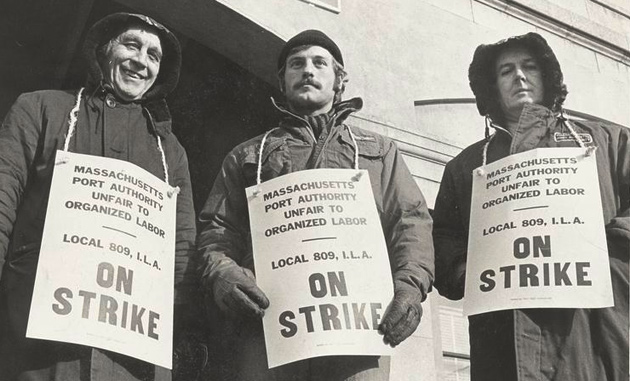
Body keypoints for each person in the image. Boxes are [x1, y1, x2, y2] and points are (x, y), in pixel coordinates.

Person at [197, 30, 434, 380]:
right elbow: (218, 231)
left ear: (339, 79)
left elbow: (410, 222)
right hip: (269, 328)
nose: (307, 70)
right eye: (296, 64)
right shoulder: (248, 156)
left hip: (359, 332)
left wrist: (409, 287)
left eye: (319, 63)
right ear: (282, 81)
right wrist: (224, 276)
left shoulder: (380, 152)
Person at [0, 13, 199, 381]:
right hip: (36, 338)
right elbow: (2, 195)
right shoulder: (42, 109)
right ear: (104, 49)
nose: (142, 60)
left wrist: (174, 324)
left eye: (154, 56)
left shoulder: (170, 152)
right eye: (132, 45)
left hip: (129, 352)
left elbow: (182, 246)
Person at [433, 32, 629, 380]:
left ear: (547, 76)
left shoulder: (607, 141)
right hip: (503, 342)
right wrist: (467, 270)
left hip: (596, 337)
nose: (519, 76)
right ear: (492, 85)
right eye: (506, 70)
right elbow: (444, 237)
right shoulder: (466, 167)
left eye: (529, 66)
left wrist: (607, 247)